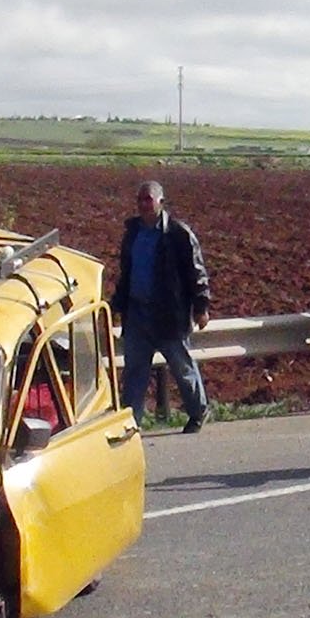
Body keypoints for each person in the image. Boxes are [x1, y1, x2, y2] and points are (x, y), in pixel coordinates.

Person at [112, 180, 212, 432]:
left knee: (182, 368)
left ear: (161, 202)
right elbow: (127, 273)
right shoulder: (132, 234)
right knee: (134, 372)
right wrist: (118, 303)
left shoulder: (178, 234)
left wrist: (201, 306)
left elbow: (196, 272)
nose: (144, 204)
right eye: (141, 200)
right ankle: (131, 424)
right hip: (137, 314)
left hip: (168, 314)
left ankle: (198, 412)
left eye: (149, 199)